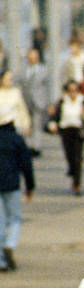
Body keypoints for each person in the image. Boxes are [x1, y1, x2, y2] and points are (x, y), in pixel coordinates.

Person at [0, 114, 34, 272]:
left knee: (0, 222)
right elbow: (26, 164)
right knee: (14, 218)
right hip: (12, 185)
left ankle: (1, 260)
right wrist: (30, 186)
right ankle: (10, 244)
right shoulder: (16, 139)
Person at [48, 79, 84, 195]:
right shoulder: (62, 101)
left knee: (78, 157)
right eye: (70, 90)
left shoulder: (82, 100)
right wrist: (53, 124)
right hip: (66, 130)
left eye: (75, 90)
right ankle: (72, 170)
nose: (73, 93)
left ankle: (77, 183)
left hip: (78, 130)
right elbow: (55, 115)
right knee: (69, 155)